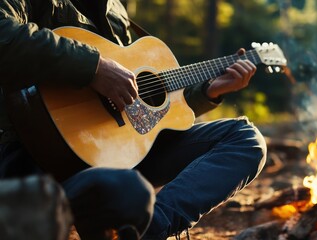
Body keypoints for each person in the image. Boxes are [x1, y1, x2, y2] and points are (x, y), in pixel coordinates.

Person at [0, 0, 267, 239]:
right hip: (41, 154)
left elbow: (137, 112)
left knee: (246, 138)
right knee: (127, 191)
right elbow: (4, 34)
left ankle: (151, 228)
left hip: (121, 155)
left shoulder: (116, 10)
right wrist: (94, 67)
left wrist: (208, 92)